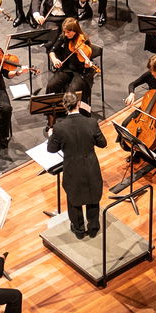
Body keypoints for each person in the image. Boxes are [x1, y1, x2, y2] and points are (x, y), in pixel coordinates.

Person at [48, 100, 108, 238]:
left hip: (72, 168)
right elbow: (103, 143)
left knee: (73, 198)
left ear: (64, 106)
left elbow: (51, 149)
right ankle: (93, 228)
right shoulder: (91, 122)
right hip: (90, 167)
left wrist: (52, 135)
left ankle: (79, 230)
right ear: (78, 104)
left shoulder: (59, 128)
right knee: (93, 196)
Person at [48, 17, 100, 105]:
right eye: (64, 31)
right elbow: (52, 50)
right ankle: (51, 108)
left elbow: (85, 62)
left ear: (75, 31)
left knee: (70, 94)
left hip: (80, 71)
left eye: (68, 32)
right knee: (51, 85)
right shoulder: (64, 37)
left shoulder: (84, 42)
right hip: (67, 68)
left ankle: (67, 109)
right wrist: (54, 59)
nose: (66, 34)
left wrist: (86, 65)